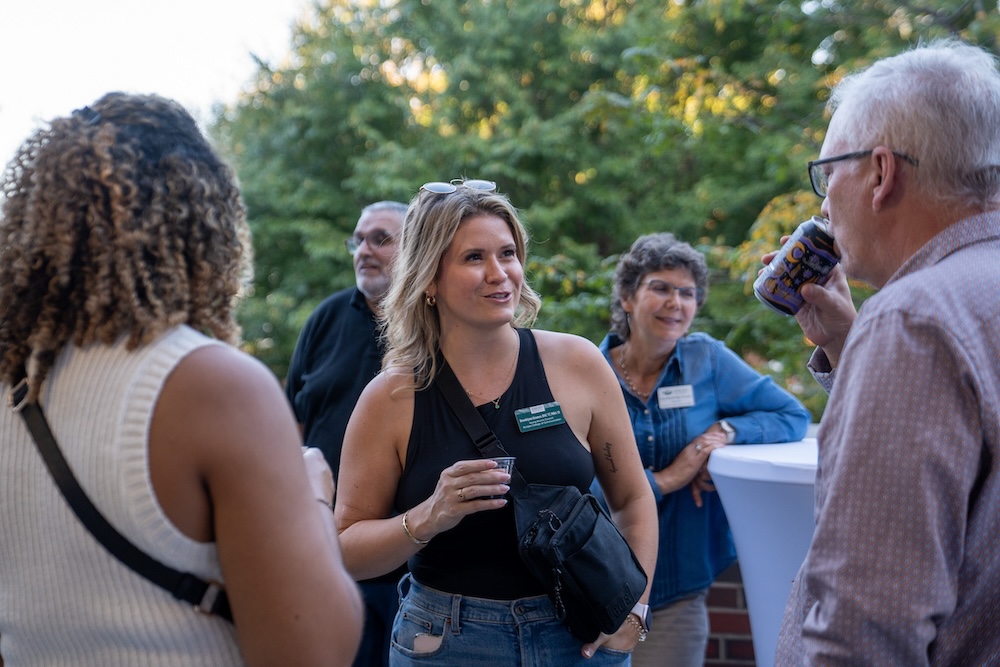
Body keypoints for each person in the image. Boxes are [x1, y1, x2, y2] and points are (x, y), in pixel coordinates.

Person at [0, 92, 363, 666]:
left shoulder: (11, 379)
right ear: (203, 220)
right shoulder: (211, 385)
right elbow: (314, 651)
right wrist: (315, 497)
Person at [333, 179, 659, 665]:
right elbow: (346, 550)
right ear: (428, 279)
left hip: (579, 633)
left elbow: (633, 499)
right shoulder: (392, 396)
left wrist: (634, 615)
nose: (499, 273)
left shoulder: (578, 363)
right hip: (448, 641)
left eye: (507, 253)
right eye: (473, 258)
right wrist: (428, 516)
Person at [769, 40, 1000, 664]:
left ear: (880, 172)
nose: (822, 204)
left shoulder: (915, 321)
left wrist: (880, 337)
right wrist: (850, 344)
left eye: (827, 173)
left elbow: (866, 627)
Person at [594, 232, 810, 667]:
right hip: (595, 591)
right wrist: (669, 479)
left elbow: (791, 416)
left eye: (687, 293)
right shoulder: (589, 370)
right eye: (660, 287)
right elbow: (575, 485)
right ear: (628, 298)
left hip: (677, 594)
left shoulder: (706, 360)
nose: (676, 302)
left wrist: (721, 435)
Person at [285, 199, 407, 667]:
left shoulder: (438, 329)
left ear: (414, 247)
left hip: (408, 565)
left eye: (380, 239)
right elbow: (293, 428)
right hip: (321, 555)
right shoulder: (326, 318)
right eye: (359, 240)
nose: (364, 251)